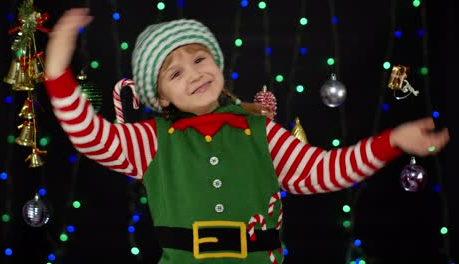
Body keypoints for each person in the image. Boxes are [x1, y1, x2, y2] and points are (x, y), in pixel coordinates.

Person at [43, 8, 450, 264]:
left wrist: (391, 141)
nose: (195, 73)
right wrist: (57, 71)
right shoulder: (150, 141)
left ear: (216, 63)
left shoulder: (262, 132)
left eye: (199, 58)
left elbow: (325, 171)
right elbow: (91, 136)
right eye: (175, 72)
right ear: (159, 94)